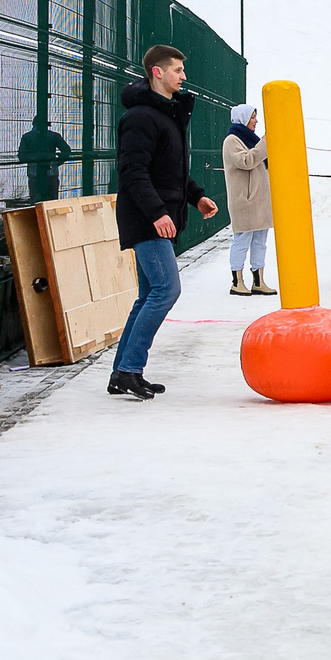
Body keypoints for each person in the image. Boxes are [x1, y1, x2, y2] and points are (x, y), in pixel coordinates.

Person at [109, 45, 220, 401]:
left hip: (154, 214)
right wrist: (157, 212)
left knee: (148, 294)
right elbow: (133, 171)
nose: (183, 77)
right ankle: (130, 369)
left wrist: (197, 195)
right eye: (177, 70)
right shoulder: (142, 117)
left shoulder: (165, 115)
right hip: (145, 217)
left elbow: (170, 171)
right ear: (157, 72)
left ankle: (120, 372)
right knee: (165, 290)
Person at [222, 103, 275, 297]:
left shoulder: (249, 139)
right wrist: (264, 144)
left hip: (260, 200)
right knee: (242, 240)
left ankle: (258, 280)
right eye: (252, 117)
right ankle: (237, 281)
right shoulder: (232, 140)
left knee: (260, 241)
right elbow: (246, 161)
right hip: (244, 200)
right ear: (243, 118)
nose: (256, 121)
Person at [16, 115, 73, 204]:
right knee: (52, 202)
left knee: (36, 203)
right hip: (51, 173)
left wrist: (31, 160)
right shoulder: (54, 136)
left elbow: (21, 157)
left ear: (33, 124)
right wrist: (57, 162)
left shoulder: (27, 137)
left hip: (34, 174)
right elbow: (67, 151)